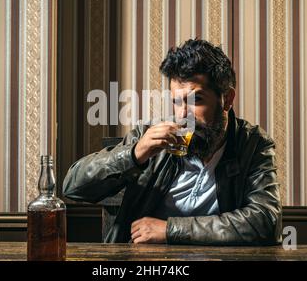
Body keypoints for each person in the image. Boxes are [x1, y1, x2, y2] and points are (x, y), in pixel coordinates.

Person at [63, 39, 282, 245]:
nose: (184, 115)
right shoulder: (149, 135)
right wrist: (134, 154)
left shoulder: (253, 144)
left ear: (227, 100)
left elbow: (265, 221)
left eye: (196, 100)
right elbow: (73, 187)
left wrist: (170, 229)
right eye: (177, 102)